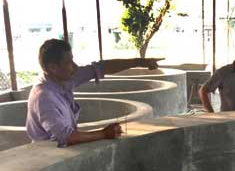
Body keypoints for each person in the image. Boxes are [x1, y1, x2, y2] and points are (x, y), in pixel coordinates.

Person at [25, 39, 161, 147]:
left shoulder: (62, 79)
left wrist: (140, 62)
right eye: (69, 62)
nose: (75, 66)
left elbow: (101, 67)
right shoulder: (44, 97)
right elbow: (65, 137)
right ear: (53, 67)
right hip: (47, 158)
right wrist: (103, 134)